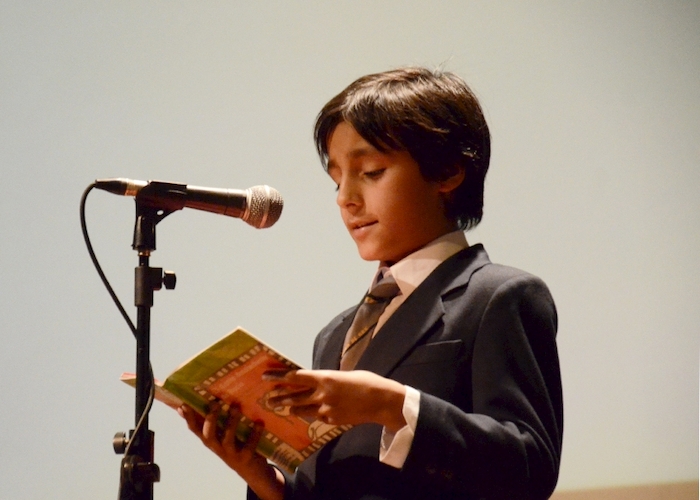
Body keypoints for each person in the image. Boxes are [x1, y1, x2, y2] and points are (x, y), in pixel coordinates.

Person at [180, 67, 563, 500]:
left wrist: (392, 404)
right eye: (337, 179)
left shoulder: (499, 296)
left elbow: (530, 466)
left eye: (372, 171)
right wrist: (263, 479)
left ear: (449, 171)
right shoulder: (335, 335)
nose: (346, 198)